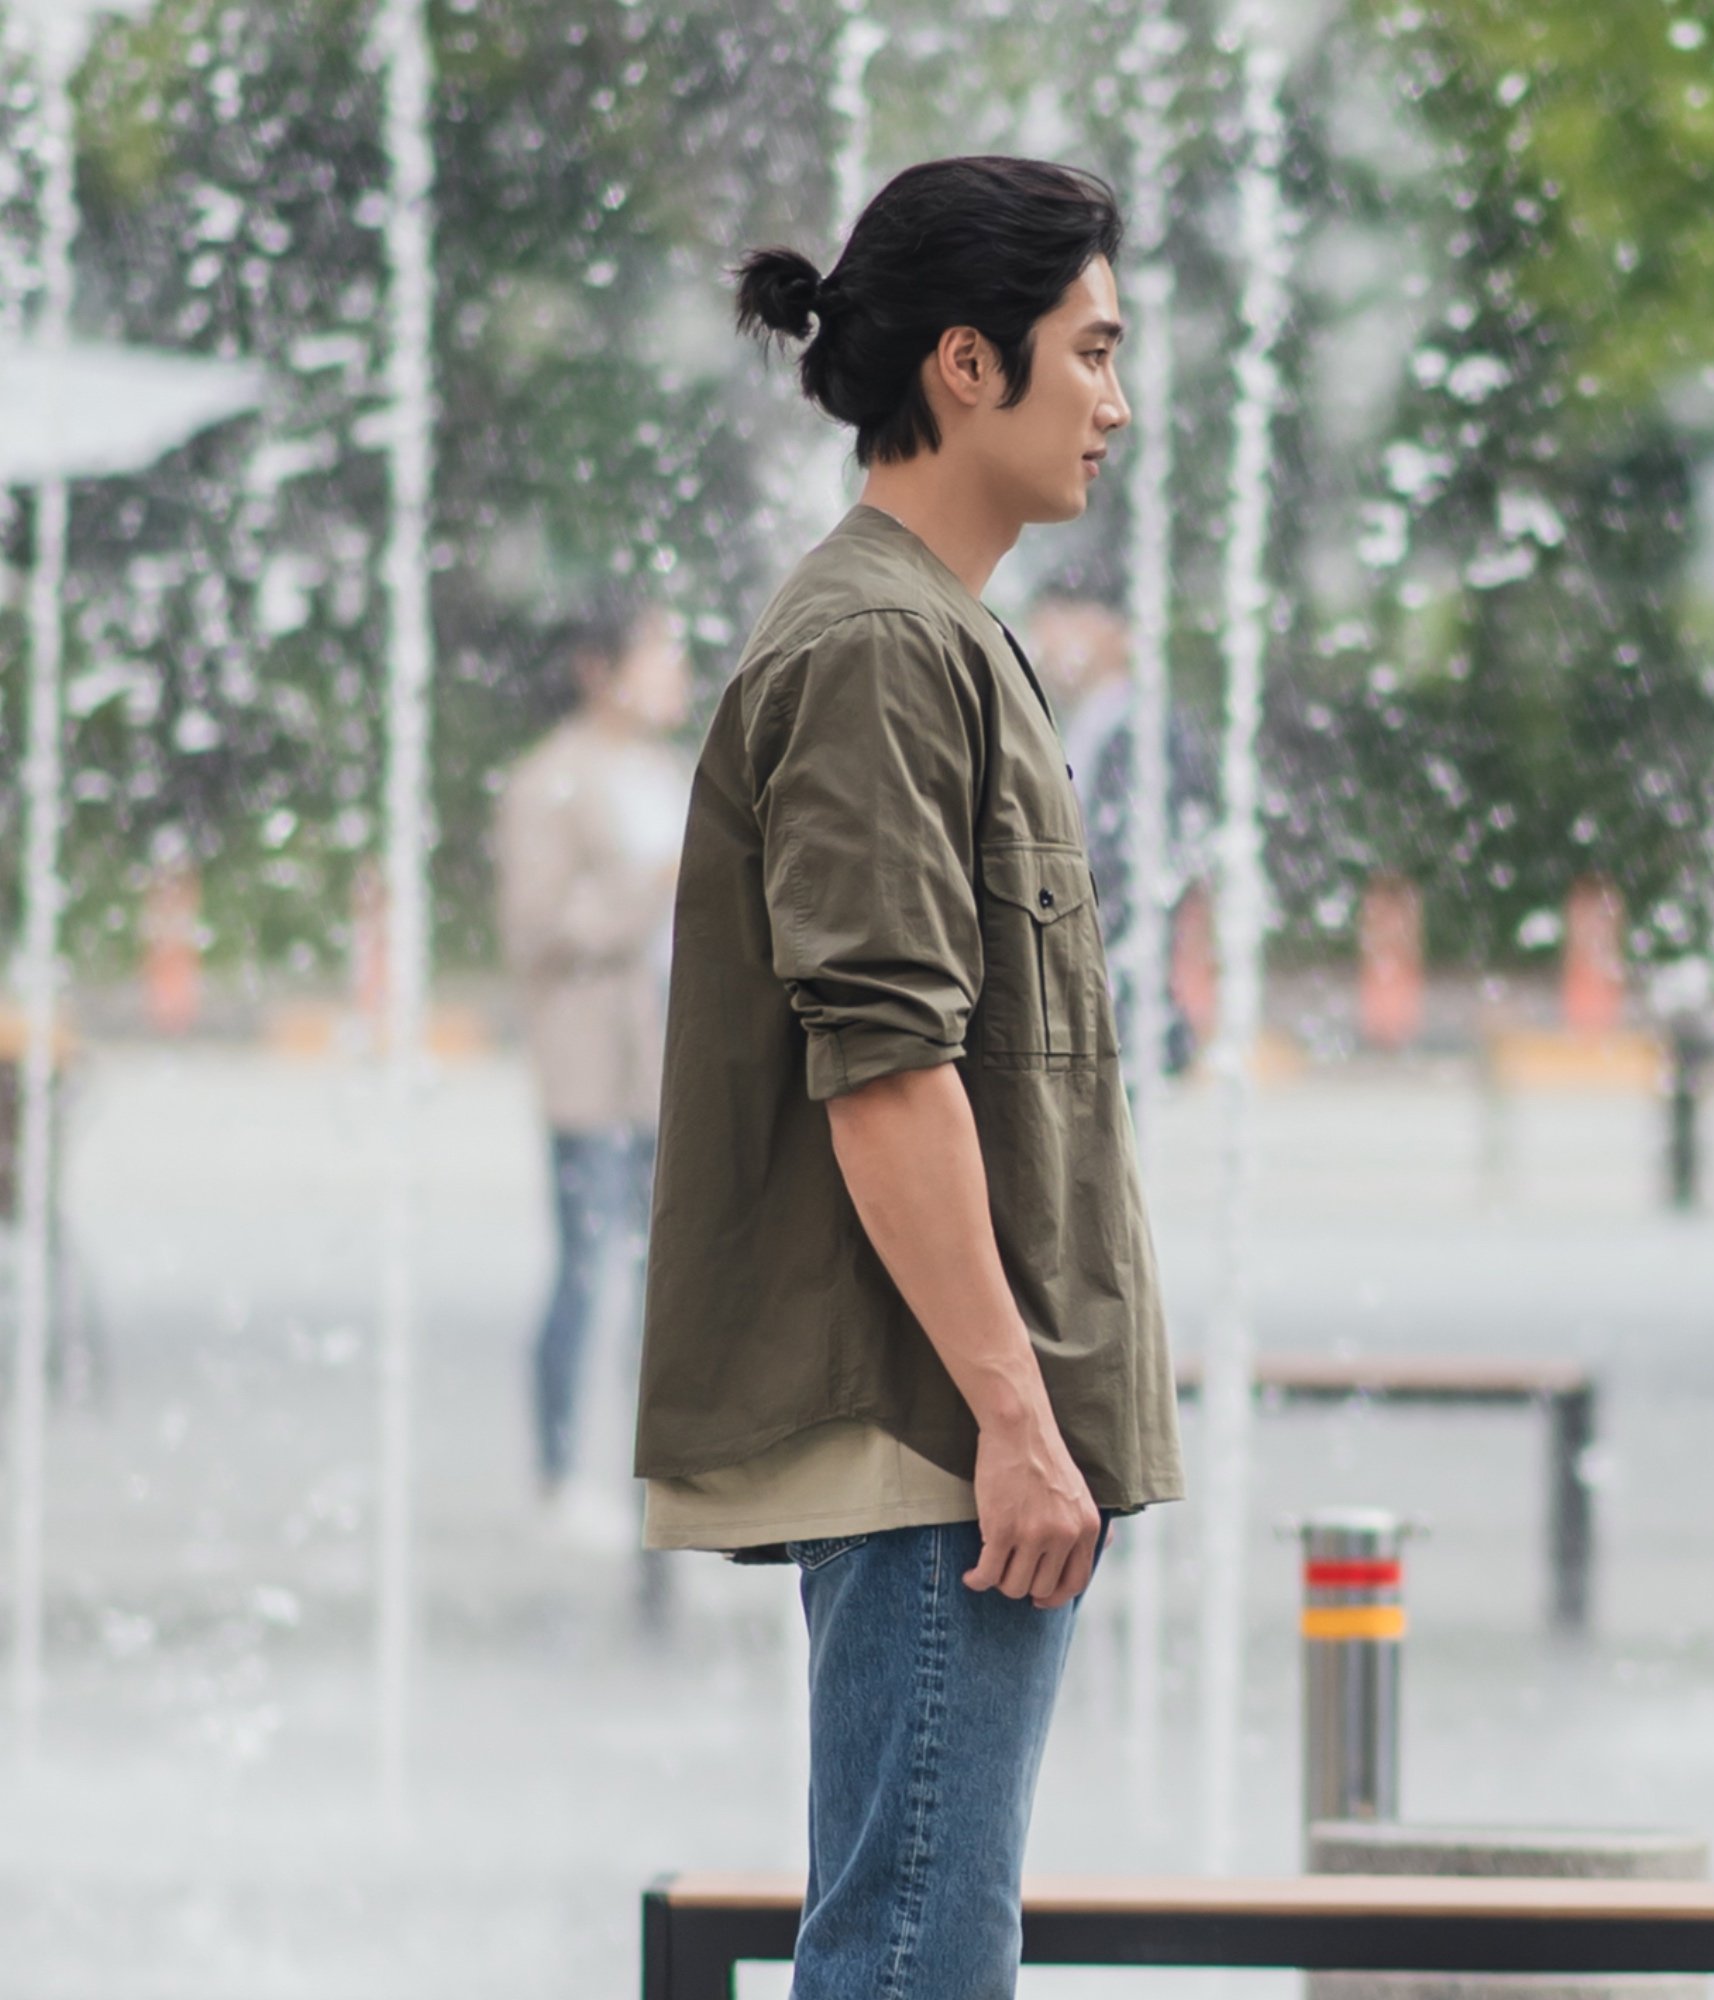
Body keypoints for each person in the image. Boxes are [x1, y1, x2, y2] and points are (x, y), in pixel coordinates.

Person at [634, 156, 1182, 2000]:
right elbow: (883, 1073)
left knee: (918, 1930)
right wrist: (1018, 1423)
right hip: (934, 1434)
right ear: (968, 363)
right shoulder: (882, 645)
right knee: (911, 1948)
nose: (1117, 401)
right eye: (1090, 352)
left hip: (945, 1427)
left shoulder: (940, 634)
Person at [494, 594, 690, 1538]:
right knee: (583, 1268)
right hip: (589, 1068)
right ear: (599, 668)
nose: (676, 673)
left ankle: (659, 1471)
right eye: (658, 654)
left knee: (671, 1276)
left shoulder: (671, 772)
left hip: (669, 1065)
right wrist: (645, 891)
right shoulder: (549, 782)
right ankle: (560, 1472)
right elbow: (537, 927)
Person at [1024, 591, 1211, 1072]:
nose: (1044, 637)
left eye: (1066, 616)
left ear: (1119, 632)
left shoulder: (1150, 735)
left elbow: (1121, 877)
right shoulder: (1072, 730)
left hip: (1122, 1020)